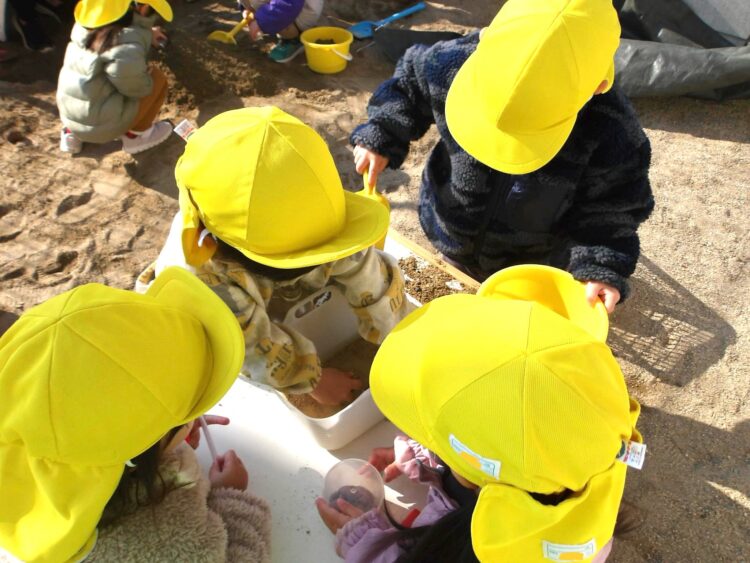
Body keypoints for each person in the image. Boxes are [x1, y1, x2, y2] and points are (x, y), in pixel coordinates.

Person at [316, 264, 645, 562]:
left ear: (478, 475)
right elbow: (509, 443)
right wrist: (433, 459)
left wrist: (367, 545)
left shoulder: (481, 553)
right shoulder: (580, 456)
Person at [350, 0, 655, 313]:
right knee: (451, 279)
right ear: (483, 40)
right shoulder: (449, 64)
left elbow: (612, 209)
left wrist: (599, 266)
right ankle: (458, 261)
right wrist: (383, 131)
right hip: (452, 225)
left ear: (597, 88)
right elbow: (408, 87)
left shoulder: (610, 129)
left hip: (533, 259)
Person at [136, 106, 411, 407]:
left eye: (319, 258)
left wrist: (395, 339)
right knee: (211, 344)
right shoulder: (200, 275)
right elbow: (249, 346)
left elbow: (367, 271)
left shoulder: (314, 207)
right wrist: (313, 381)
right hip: (211, 308)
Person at [0, 267, 271, 562]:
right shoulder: (170, 539)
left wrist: (162, 431)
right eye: (190, 412)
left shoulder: (29, 436)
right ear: (144, 447)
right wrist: (230, 494)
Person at [56, 0, 173, 155]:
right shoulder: (127, 46)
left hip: (69, 114)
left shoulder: (85, 25)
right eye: (152, 10)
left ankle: (71, 135)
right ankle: (136, 137)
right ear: (143, 7)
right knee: (156, 79)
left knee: (89, 80)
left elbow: (116, 31)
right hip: (101, 127)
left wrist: (146, 32)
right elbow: (135, 87)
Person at [239, 0, 323, 63]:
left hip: (301, 10)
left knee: (273, 14)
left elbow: (287, 4)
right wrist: (246, 9)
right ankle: (269, 19)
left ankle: (294, 37)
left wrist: (260, 22)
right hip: (289, 6)